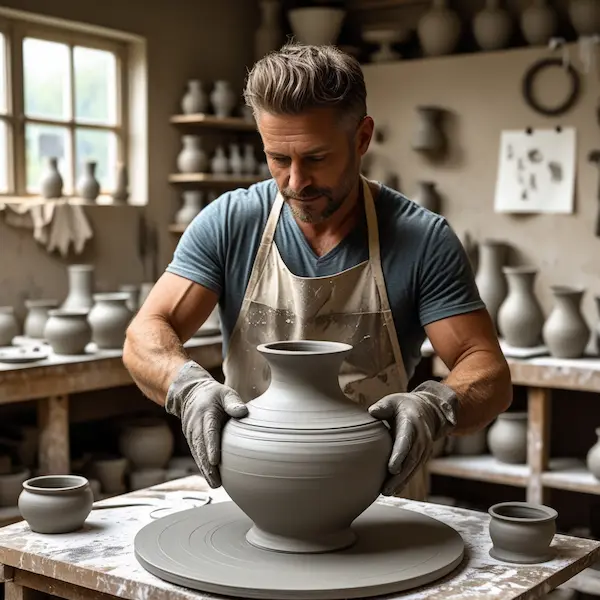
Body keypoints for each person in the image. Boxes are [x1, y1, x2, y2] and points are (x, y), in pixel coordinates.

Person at [122, 43, 512, 501]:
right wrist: (187, 387)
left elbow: (488, 369)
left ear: (362, 138)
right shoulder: (229, 222)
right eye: (278, 159)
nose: (295, 182)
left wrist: (434, 405)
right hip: (252, 488)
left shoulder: (421, 238)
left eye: (316, 158)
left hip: (378, 494)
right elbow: (143, 334)